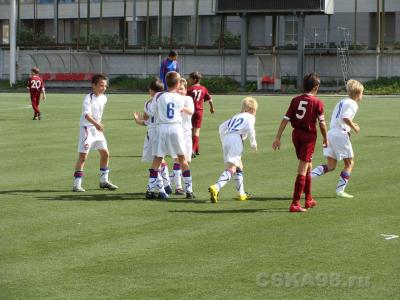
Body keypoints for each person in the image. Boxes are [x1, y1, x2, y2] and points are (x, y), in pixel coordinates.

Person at [272, 73, 327, 213]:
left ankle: (308, 199)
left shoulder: (295, 100)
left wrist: (277, 137)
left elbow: (285, 119)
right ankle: (295, 203)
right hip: (308, 137)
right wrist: (326, 138)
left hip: (296, 134)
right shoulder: (317, 102)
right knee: (303, 167)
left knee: (309, 164)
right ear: (316, 87)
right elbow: (322, 124)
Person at [311, 79, 364, 198]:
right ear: (358, 93)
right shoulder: (353, 104)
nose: (362, 95)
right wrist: (354, 127)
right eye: (362, 93)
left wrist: (351, 125)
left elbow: (341, 117)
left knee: (331, 166)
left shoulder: (342, 101)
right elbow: (345, 117)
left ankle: (307, 177)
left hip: (331, 133)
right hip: (340, 134)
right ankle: (340, 190)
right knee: (349, 163)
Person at [146, 71, 195, 200]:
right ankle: (189, 190)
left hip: (162, 127)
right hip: (176, 127)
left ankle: (150, 190)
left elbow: (151, 111)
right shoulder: (181, 98)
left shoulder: (158, 96)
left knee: (158, 158)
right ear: (178, 84)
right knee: (182, 158)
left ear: (166, 82)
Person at [72, 74, 118, 192]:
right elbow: (86, 115)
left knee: (105, 154)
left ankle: (104, 181)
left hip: (97, 130)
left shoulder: (104, 98)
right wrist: (96, 124)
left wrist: (97, 124)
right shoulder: (88, 98)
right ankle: (77, 185)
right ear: (93, 85)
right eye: (101, 85)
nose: (104, 88)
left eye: (105, 86)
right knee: (83, 157)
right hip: (87, 129)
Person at [208, 97, 258, 203]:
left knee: (239, 166)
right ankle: (216, 187)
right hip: (236, 140)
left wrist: (223, 141)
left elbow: (221, 127)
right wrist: (253, 144)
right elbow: (250, 129)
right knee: (232, 168)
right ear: (252, 110)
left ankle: (241, 194)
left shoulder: (236, 116)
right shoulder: (250, 117)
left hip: (227, 138)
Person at [133, 79, 173, 198]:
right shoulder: (165, 101)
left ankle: (160, 189)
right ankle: (166, 185)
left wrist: (137, 120)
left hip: (154, 133)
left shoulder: (148, 103)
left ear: (151, 91)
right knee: (161, 159)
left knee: (156, 161)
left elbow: (146, 121)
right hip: (164, 132)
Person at [169, 78, 194, 195]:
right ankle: (178, 187)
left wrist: (182, 107)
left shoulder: (188, 99)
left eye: (182, 89)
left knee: (186, 161)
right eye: (178, 89)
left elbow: (191, 111)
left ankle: (168, 181)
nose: (180, 91)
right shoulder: (172, 99)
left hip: (186, 132)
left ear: (186, 90)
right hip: (176, 131)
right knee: (177, 159)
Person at [187, 71, 215, 157]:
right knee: (196, 131)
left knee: (191, 131)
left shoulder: (189, 89)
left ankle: (191, 150)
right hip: (199, 111)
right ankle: (196, 149)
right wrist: (212, 108)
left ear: (194, 79)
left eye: (190, 78)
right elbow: (210, 99)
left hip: (190, 111)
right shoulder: (203, 88)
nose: (188, 80)